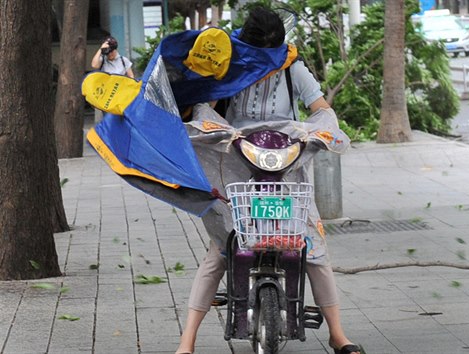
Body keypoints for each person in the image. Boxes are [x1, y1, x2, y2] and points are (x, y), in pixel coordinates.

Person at [175, 7, 361, 354]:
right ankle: (187, 342)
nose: (267, 59)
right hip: (234, 163)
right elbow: (205, 107)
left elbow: (320, 107)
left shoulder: (293, 66)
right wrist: (214, 127)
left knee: (312, 249)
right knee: (220, 252)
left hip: (286, 161)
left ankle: (338, 335)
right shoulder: (229, 65)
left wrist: (319, 129)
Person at [90, 36, 134, 123]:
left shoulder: (123, 60)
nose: (110, 55)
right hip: (107, 99)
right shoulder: (103, 61)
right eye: (108, 53)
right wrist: (101, 49)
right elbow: (94, 65)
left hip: (121, 98)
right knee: (109, 121)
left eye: (112, 52)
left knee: (121, 122)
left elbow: (131, 77)